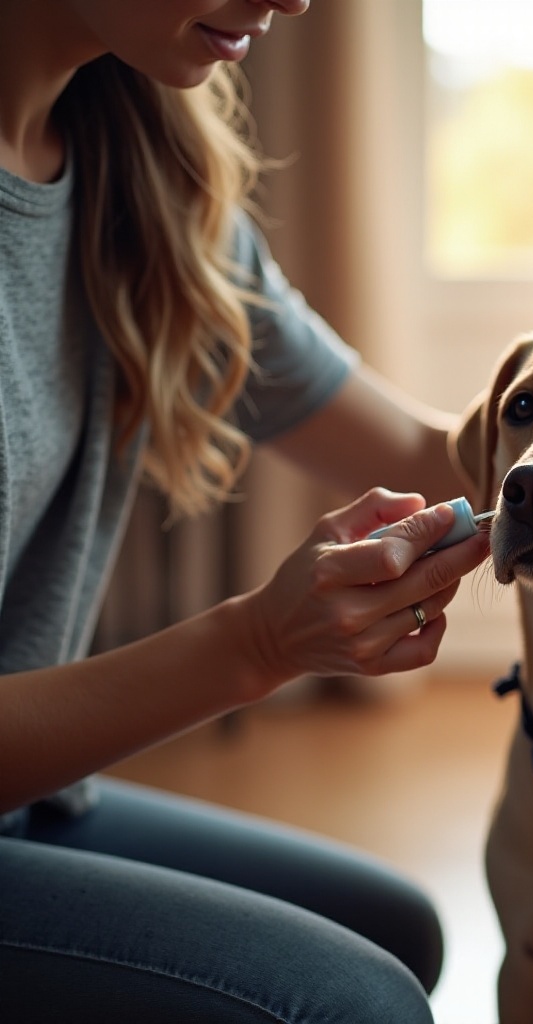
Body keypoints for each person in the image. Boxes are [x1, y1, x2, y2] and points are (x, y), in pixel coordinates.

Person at [0, 2, 492, 1021]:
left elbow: (415, 448)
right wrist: (260, 641)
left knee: (394, 929)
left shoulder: (133, 154)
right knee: (356, 1002)